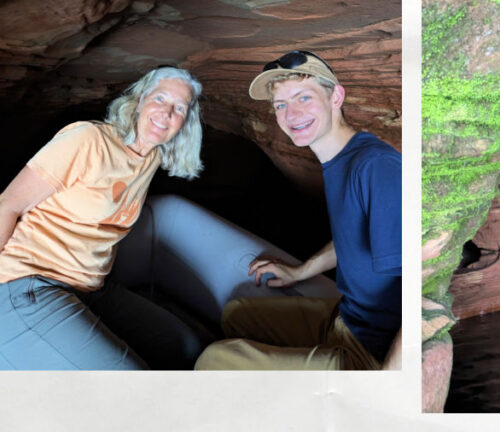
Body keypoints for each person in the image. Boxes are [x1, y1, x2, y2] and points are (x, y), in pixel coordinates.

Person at [195, 50, 401, 370]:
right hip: (346, 317)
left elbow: (419, 280)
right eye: (281, 104)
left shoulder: (376, 166)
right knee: (235, 314)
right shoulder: (341, 159)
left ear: (336, 96)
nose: (291, 114)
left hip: (371, 350)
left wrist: (391, 379)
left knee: (213, 360)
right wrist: (300, 271)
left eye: (304, 97)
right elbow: (354, 235)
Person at [0, 66, 207, 370]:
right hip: (30, 282)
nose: (166, 112)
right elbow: (8, 204)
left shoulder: (151, 157)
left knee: (189, 348)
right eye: (160, 98)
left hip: (91, 289)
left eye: (179, 107)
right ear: (139, 99)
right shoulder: (88, 139)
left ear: (185, 122)